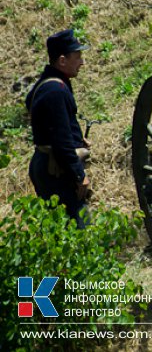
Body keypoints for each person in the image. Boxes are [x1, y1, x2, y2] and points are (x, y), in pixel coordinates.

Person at [25, 29, 91, 228]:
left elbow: (51, 124)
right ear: (62, 61)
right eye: (77, 57)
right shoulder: (56, 90)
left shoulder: (44, 85)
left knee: (60, 228)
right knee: (80, 230)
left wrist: (77, 139)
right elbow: (61, 142)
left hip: (45, 163)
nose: (82, 62)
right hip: (56, 170)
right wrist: (80, 176)